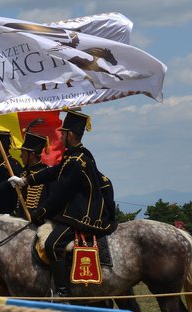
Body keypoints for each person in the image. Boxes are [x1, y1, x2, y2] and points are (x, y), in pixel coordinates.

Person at [10, 110, 116, 298]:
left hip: (82, 214)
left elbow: (61, 193)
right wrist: (26, 181)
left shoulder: (77, 160)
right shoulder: (73, 157)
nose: (60, 135)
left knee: (52, 244)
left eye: (63, 132)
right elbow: (51, 172)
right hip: (73, 210)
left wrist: (40, 212)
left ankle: (62, 291)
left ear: (71, 135)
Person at [0, 130, 50, 218]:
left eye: (23, 152)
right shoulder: (25, 172)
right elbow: (6, 186)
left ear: (32, 155)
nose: (20, 156)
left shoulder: (45, 173)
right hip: (20, 218)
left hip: (36, 220)